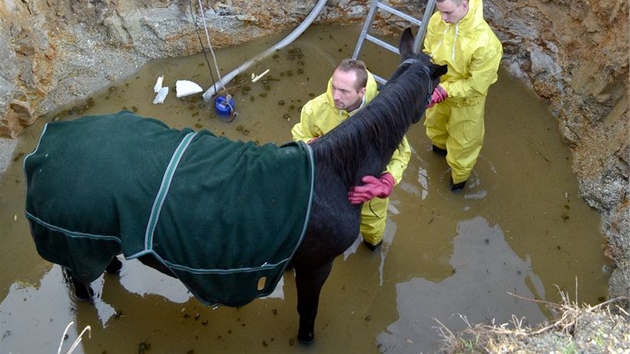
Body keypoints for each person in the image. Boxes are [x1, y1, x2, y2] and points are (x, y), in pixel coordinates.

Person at [291, 59, 411, 251]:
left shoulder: (383, 114)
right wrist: (310, 144)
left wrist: (387, 181)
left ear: (361, 92)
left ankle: (373, 248)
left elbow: (402, 152)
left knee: (373, 229)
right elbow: (299, 135)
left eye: (344, 91)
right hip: (329, 187)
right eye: (334, 87)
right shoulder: (315, 108)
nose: (335, 96)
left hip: (367, 190)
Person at [423, 0, 503, 191]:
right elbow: (428, 52)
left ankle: (457, 184)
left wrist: (446, 90)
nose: (443, 17)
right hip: (439, 90)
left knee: (463, 146)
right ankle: (438, 155)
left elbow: (476, 86)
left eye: (448, 13)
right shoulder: (438, 20)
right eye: (440, 12)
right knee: (435, 128)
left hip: (466, 103)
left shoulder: (486, 45)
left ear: (465, 5)